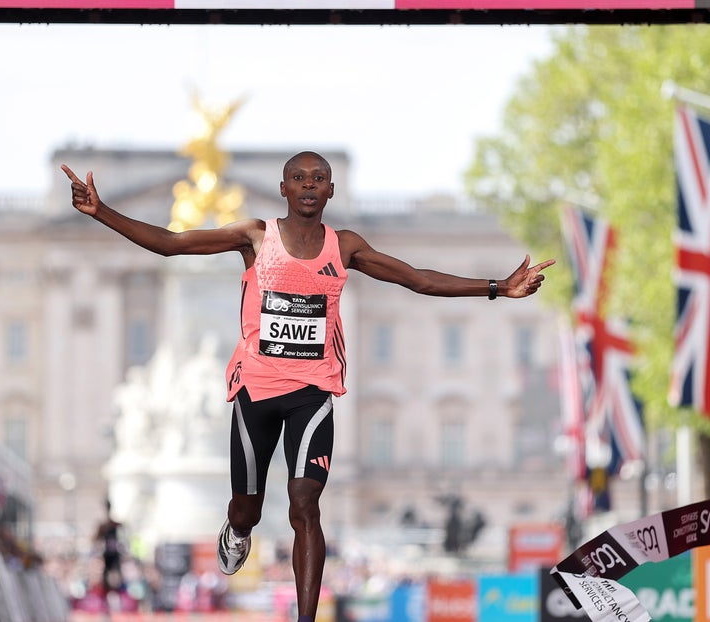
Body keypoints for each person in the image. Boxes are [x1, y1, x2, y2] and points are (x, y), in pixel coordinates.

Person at [61, 151, 554, 622]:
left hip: (312, 393)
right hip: (255, 390)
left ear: (331, 190)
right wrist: (101, 211)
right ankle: (237, 530)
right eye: (300, 178)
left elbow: (417, 279)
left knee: (304, 504)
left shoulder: (346, 246)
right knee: (247, 508)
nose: (309, 186)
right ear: (283, 188)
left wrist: (498, 288)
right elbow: (171, 243)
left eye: (319, 179)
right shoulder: (255, 237)